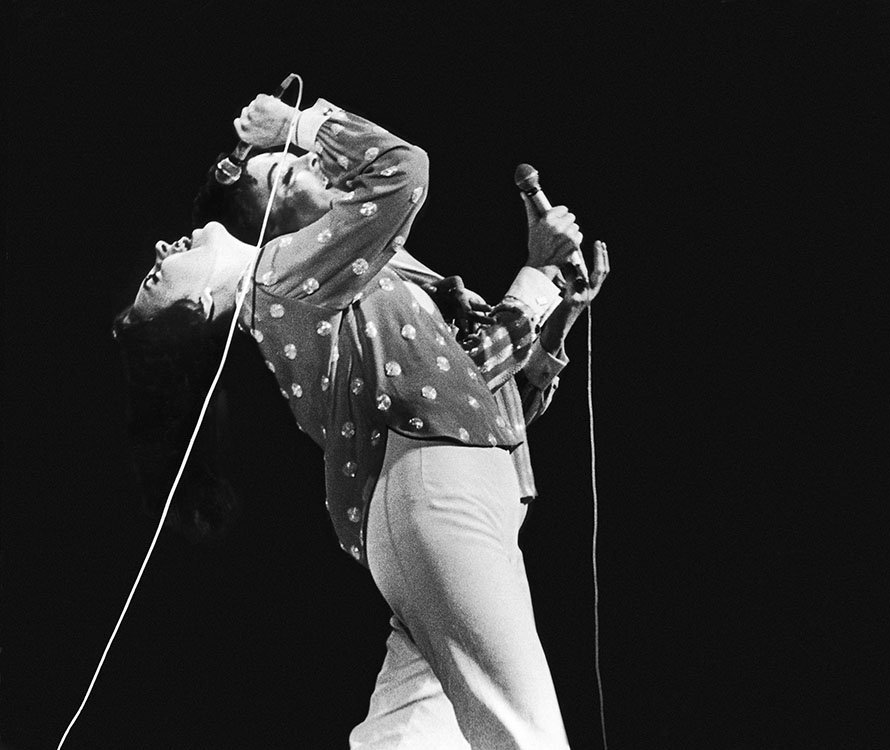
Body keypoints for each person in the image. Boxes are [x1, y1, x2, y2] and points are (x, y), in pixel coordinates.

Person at [115, 91, 608, 748]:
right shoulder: (293, 276)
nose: (311, 166)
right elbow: (403, 171)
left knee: (408, 738)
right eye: (286, 173)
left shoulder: (326, 282)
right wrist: (299, 122)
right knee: (522, 728)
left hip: (441, 485)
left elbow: (479, 392)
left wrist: (553, 296)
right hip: (434, 479)